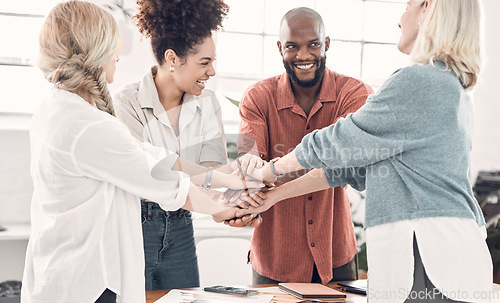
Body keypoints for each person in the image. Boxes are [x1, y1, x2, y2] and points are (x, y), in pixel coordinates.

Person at [238, 0, 493, 301]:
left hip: (428, 252)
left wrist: (269, 171)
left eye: (407, 5)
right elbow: (348, 168)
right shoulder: (446, 83)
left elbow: (339, 142)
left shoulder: (418, 81)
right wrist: (270, 196)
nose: (401, 18)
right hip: (441, 250)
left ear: (427, 9)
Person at [22, 2, 260, 302]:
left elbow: (148, 156)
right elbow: (159, 178)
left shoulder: (58, 109)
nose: (117, 56)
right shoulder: (88, 124)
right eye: (112, 46)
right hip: (86, 282)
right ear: (93, 50)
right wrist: (224, 206)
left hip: (68, 272)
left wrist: (228, 179)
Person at [234, 7, 373, 284]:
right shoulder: (258, 98)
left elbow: (343, 164)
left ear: (327, 44)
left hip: (336, 254)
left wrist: (270, 175)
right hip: (274, 258)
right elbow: (251, 168)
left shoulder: (354, 94)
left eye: (314, 44)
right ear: (279, 48)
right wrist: (249, 175)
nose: (304, 55)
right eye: (292, 46)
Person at [113, 0, 235, 290]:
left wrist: (237, 195)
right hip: (135, 227)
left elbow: (211, 171)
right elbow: (148, 174)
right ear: (172, 58)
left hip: (182, 226)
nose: (212, 72)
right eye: (204, 62)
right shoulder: (126, 103)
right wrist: (221, 200)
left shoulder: (208, 103)